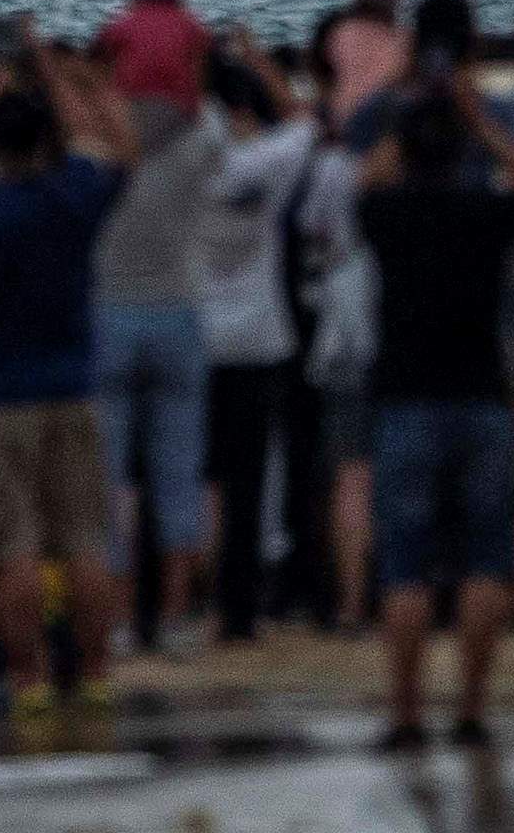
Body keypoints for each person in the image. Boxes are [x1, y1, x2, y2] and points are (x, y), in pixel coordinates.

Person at [0, 23, 131, 718]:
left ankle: (29, 677)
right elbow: (123, 147)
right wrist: (61, 72)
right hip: (71, 385)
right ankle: (96, 672)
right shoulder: (72, 199)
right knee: (83, 539)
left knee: (11, 547)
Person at [353, 64, 514, 747]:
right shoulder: (488, 215)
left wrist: (407, 117)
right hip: (480, 394)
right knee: (485, 560)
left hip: (406, 394)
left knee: (406, 567)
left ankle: (406, 712)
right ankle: (471, 709)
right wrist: (483, 124)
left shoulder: (390, 214)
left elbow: (363, 183)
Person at [88, 0, 228, 654]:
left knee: (111, 478)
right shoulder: (201, 136)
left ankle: (113, 620)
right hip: (180, 307)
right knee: (179, 471)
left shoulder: (100, 141)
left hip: (110, 308)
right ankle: (175, 618)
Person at [189, 46, 314, 640]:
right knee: (247, 480)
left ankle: (188, 600)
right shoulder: (266, 163)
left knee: (199, 476)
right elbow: (308, 127)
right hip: (259, 337)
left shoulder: (181, 161)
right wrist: (266, 70)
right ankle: (240, 609)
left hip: (197, 334)